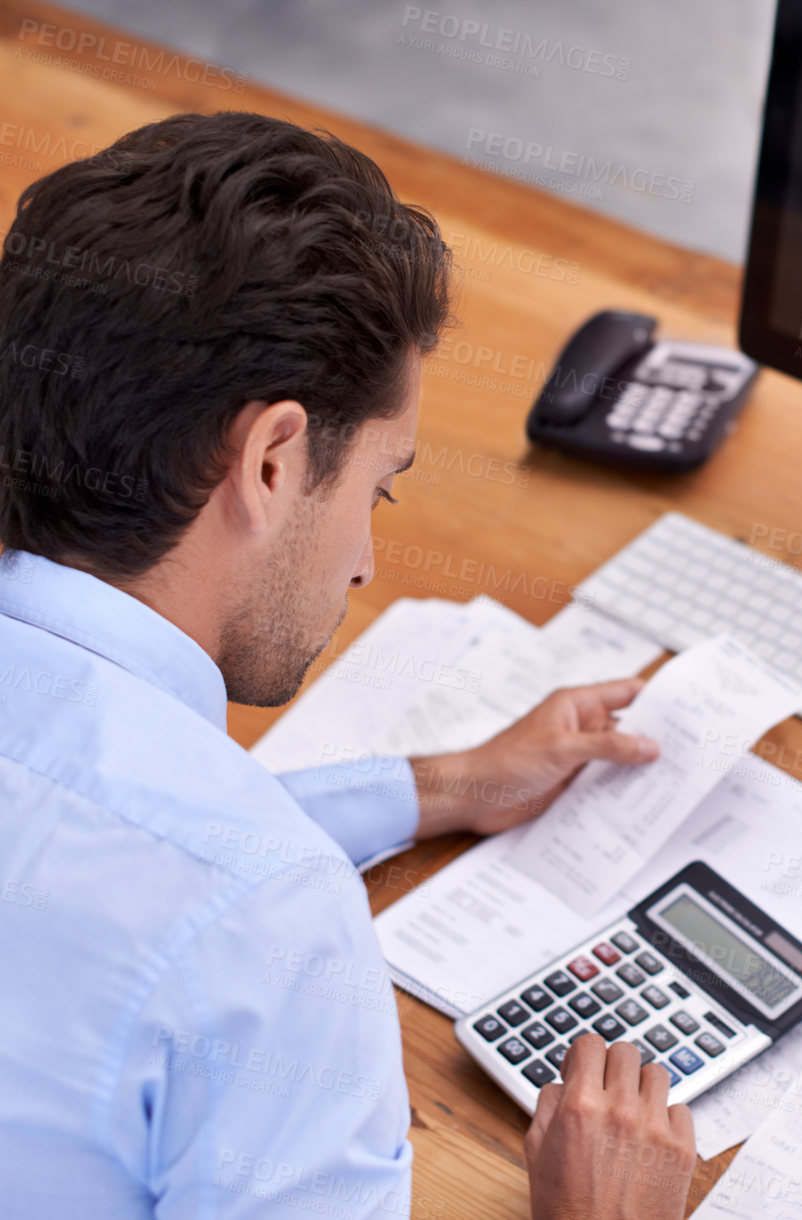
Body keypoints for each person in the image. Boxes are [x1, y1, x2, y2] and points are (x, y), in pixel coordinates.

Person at [0, 111, 694, 1218]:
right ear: (273, 460)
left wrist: (440, 787)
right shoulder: (269, 927)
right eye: (377, 488)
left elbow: (94, 837)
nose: (367, 562)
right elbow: (191, 887)